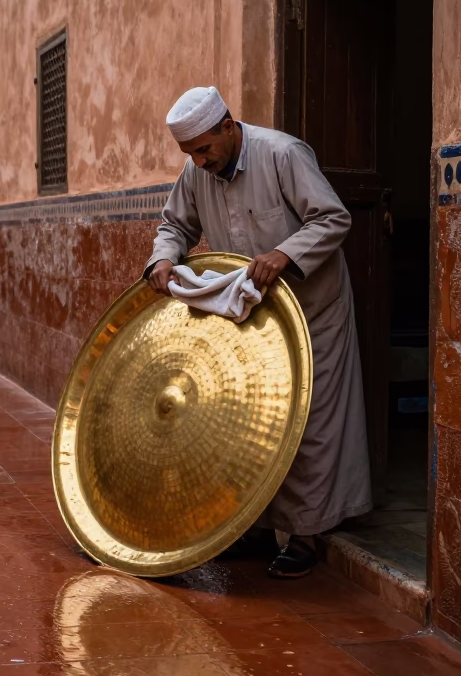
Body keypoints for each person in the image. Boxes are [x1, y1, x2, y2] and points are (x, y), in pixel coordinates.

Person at [145, 86, 371, 578]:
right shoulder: (196, 172)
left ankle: (307, 533)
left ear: (228, 126)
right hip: (255, 319)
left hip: (315, 311)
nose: (199, 162)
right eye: (190, 154)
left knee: (308, 423)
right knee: (258, 421)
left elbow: (333, 218)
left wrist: (286, 253)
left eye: (204, 149)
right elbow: (174, 225)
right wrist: (163, 257)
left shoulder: (283, 153)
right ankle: (256, 527)